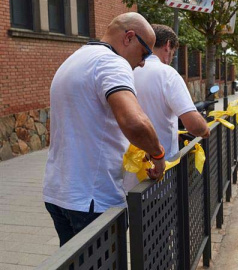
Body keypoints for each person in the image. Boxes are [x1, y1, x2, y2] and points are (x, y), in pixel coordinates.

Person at [43, 12, 167, 246]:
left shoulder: (76, 58)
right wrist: (158, 154)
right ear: (129, 37)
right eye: (145, 53)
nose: (142, 62)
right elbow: (135, 122)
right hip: (93, 199)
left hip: (59, 193)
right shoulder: (112, 62)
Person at [123, 24, 210, 191]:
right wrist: (205, 129)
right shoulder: (167, 74)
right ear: (168, 45)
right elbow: (193, 124)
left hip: (125, 172)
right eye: (173, 52)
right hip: (157, 172)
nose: (171, 57)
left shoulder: (126, 70)